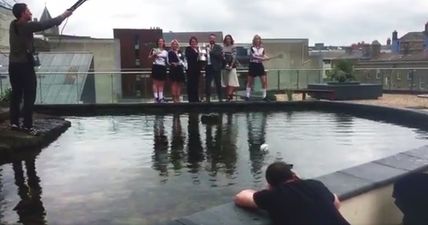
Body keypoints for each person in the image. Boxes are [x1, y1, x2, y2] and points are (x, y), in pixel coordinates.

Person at [8, 3, 72, 135]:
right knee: (29, 95)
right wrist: (64, 15)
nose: (31, 12)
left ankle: (14, 123)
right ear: (22, 13)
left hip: (13, 66)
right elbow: (46, 24)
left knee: (16, 94)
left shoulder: (13, 25)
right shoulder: (27, 26)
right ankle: (27, 126)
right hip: (24, 65)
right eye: (28, 11)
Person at [234, 161, 350, 225]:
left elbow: (240, 197)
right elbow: (336, 203)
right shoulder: (315, 185)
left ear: (270, 185)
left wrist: (260, 192)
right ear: (294, 175)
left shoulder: (274, 195)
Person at [245, 34, 271, 102]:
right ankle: (247, 96)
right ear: (254, 40)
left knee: (264, 81)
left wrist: (266, 57)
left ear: (260, 40)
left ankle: (264, 96)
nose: (257, 40)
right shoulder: (251, 48)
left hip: (259, 65)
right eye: (256, 39)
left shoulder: (262, 48)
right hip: (252, 65)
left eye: (258, 39)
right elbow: (253, 56)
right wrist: (263, 58)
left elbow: (263, 55)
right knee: (250, 81)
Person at [204, 33, 223, 102]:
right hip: (208, 67)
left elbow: (219, 56)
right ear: (209, 39)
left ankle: (220, 98)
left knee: (218, 83)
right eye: (210, 38)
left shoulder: (218, 47)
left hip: (216, 67)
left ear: (215, 39)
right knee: (207, 83)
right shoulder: (206, 46)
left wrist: (211, 52)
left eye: (213, 38)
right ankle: (207, 98)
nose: (211, 39)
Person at [148, 38, 168, 103]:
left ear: (163, 43)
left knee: (161, 83)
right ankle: (156, 97)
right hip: (156, 66)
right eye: (159, 41)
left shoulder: (166, 52)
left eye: (162, 41)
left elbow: (167, 61)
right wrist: (154, 55)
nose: (160, 42)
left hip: (162, 67)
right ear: (157, 43)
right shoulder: (154, 49)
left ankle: (161, 97)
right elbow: (149, 57)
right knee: (155, 83)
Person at [221, 34, 240, 101]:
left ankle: (230, 95)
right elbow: (222, 57)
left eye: (229, 38)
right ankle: (228, 96)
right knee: (226, 82)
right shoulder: (223, 47)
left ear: (231, 40)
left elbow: (234, 57)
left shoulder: (233, 47)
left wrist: (231, 65)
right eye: (226, 39)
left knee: (232, 81)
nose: (228, 40)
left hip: (232, 66)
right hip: (224, 66)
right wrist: (225, 64)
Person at [185, 36, 201, 102]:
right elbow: (190, 57)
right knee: (190, 84)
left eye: (194, 42)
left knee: (196, 84)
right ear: (190, 43)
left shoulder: (198, 49)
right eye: (192, 42)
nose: (193, 43)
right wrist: (197, 53)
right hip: (190, 69)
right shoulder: (188, 49)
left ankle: (196, 98)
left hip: (197, 70)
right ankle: (191, 99)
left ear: (196, 42)